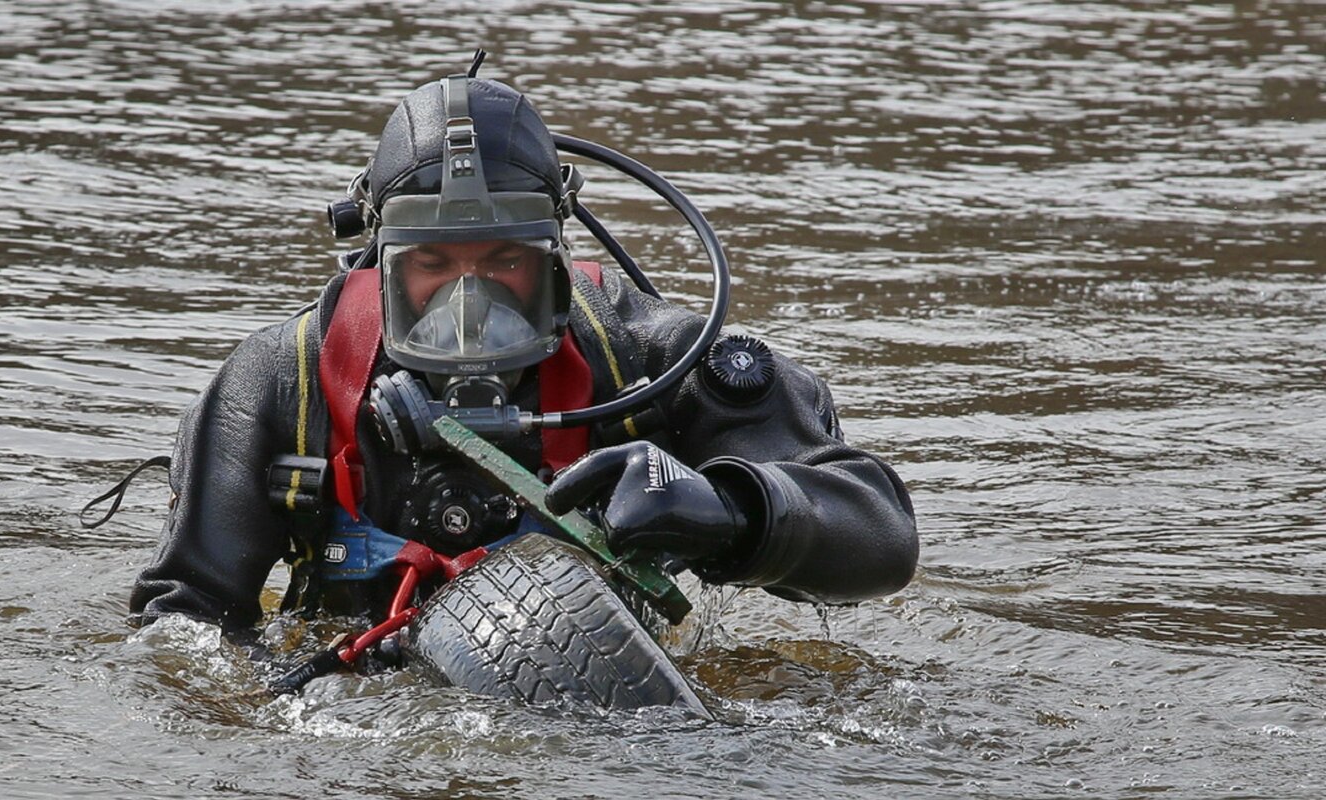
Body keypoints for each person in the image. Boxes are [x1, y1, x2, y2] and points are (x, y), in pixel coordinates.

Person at [127, 66, 917, 640]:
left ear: (556, 259)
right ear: (380, 262)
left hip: (599, 690)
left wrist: (725, 512)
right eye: (433, 265)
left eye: (503, 261)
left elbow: (880, 537)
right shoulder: (281, 382)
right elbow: (186, 618)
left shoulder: (648, 358)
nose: (469, 302)